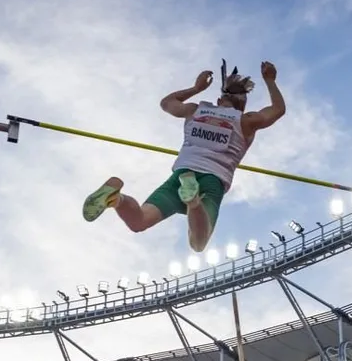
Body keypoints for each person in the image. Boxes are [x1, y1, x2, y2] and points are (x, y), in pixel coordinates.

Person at [82, 59, 286, 252]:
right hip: (213, 180)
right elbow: (277, 110)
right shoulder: (246, 120)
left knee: (139, 222)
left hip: (181, 174)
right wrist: (270, 80)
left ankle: (117, 199)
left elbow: (167, 103)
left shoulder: (196, 110)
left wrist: (196, 89)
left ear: (219, 99)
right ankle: (193, 201)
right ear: (243, 105)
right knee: (198, 242)